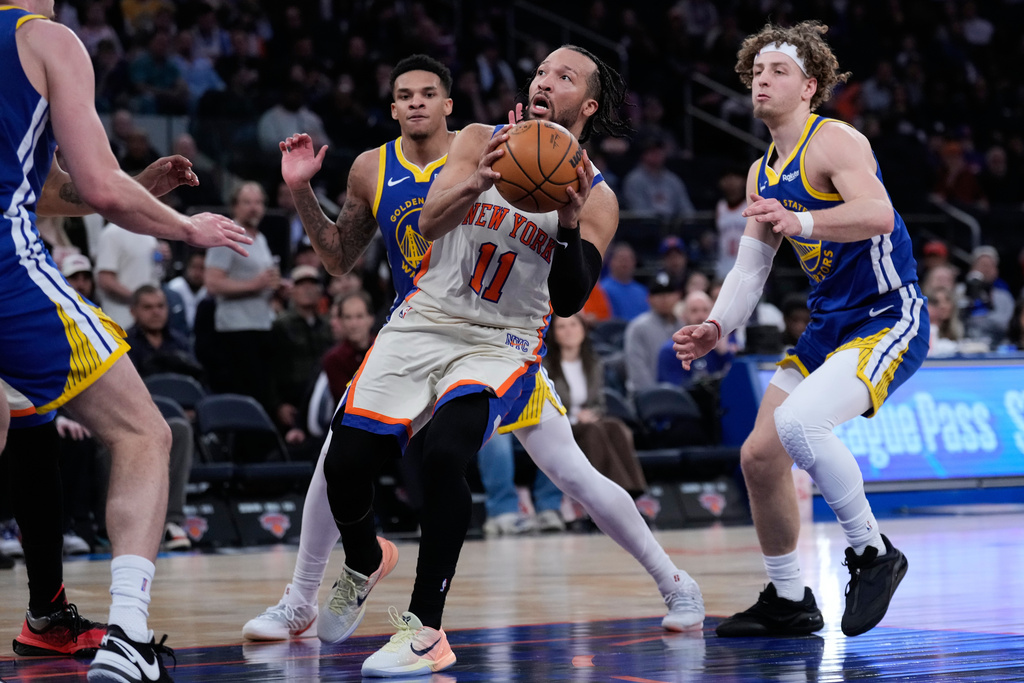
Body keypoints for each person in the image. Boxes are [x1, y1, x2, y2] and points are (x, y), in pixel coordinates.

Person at [245, 51, 704, 672]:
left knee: (538, 469)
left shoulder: (598, 198)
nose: (544, 81)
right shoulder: (478, 142)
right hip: (427, 321)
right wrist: (477, 181)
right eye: (540, 72)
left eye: (564, 77)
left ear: (589, 105)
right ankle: (346, 571)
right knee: (342, 460)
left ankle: (424, 629)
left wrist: (567, 225)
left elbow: (570, 300)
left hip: (504, 343)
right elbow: (429, 224)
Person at [0, 3, 250, 680]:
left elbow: (46, 186)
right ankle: (129, 637)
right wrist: (185, 226)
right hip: (7, 272)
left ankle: (48, 616)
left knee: (22, 420)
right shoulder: (45, 39)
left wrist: (137, 189)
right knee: (144, 433)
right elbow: (101, 190)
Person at [673, 20, 928, 639]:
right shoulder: (761, 172)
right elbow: (750, 268)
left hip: (886, 314)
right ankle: (789, 599)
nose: (762, 80)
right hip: (828, 326)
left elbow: (878, 214)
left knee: (798, 424)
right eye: (757, 71)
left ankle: (873, 552)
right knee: (759, 456)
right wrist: (715, 325)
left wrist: (803, 221)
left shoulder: (834, 139)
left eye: (778, 71)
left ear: (810, 86)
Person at [544, 314, 647, 498]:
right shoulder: (545, 366)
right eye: (561, 327)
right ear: (553, 333)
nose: (569, 331)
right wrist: (573, 417)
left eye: (573, 325)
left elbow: (599, 403)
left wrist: (591, 414)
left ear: (583, 329)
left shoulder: (593, 364)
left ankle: (634, 490)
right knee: (593, 431)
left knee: (615, 426)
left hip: (587, 421)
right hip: (559, 424)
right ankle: (608, 495)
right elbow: (544, 403)